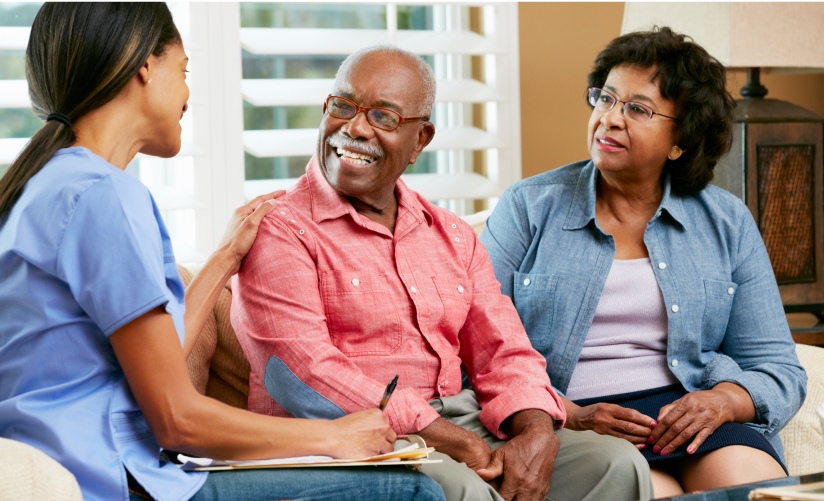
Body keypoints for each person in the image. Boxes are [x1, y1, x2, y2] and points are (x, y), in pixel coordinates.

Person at [0, 4, 446, 501]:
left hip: (74, 459)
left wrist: (222, 259)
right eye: (184, 70)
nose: (188, 94)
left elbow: (153, 361)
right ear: (145, 65)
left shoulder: (43, 186)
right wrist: (334, 436)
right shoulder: (106, 197)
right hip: (112, 480)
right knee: (408, 491)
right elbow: (175, 419)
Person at [231, 44, 654, 501]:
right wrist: (446, 438)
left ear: (420, 140)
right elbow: (303, 374)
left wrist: (535, 431)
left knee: (616, 464)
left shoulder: (450, 233)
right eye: (343, 106)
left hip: (465, 422)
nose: (354, 128)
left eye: (384, 117)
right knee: (461, 488)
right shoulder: (279, 229)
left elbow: (504, 351)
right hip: (354, 439)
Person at [481, 27, 807, 497]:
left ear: (681, 140)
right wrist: (567, 414)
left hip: (689, 415)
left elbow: (777, 366)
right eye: (605, 99)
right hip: (574, 418)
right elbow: (478, 349)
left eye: (637, 109)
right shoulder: (528, 207)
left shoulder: (726, 220)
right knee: (652, 491)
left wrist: (722, 401)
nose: (609, 119)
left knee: (749, 488)